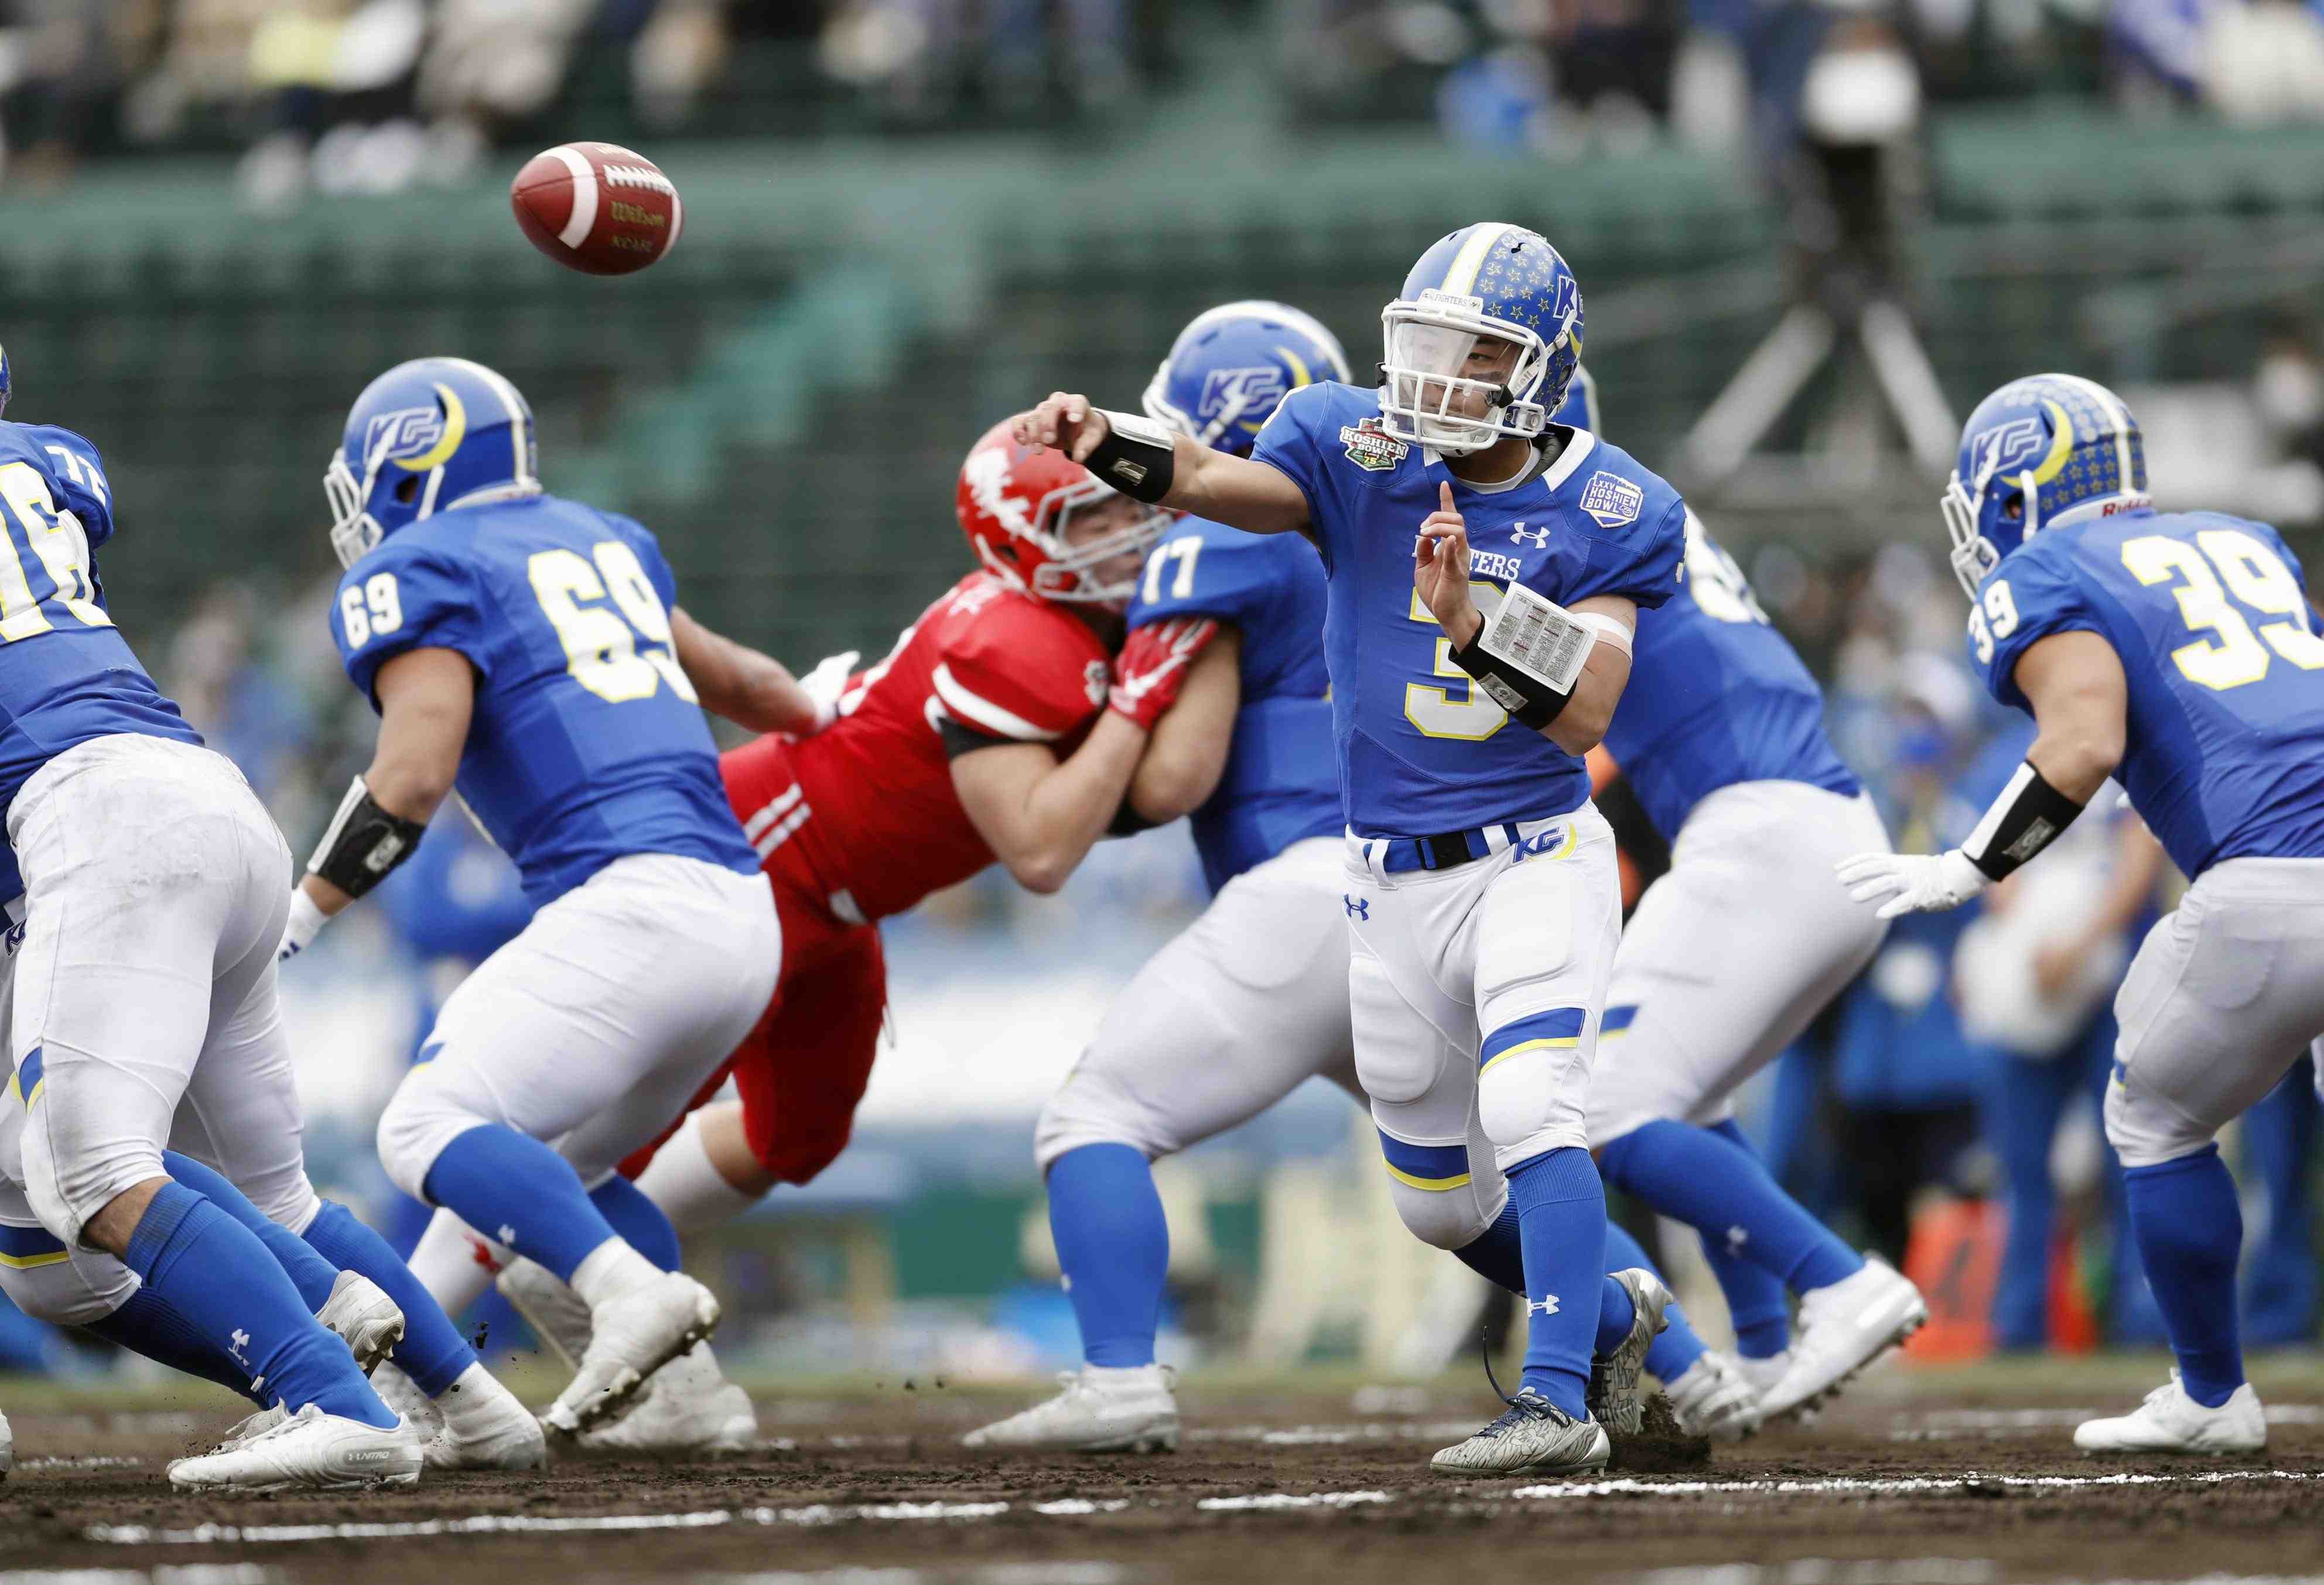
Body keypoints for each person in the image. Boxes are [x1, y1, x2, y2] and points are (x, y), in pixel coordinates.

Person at [1009, 224, 1683, 1477]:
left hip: (1532, 852)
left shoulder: (1612, 500)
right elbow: (1220, 484)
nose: (1436, 376)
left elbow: (1590, 709)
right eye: (1423, 345)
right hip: (1383, 880)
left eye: (1474, 353)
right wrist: (1110, 442)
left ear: (1539, 366)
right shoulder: (1353, 444)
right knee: (1439, 1205)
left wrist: (1470, 622)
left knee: (1534, 1103)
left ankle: (1554, 1399)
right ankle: (1617, 1319)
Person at [492, 421, 1193, 1449]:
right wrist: (1141, 702)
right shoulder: (1011, 638)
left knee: (798, 1139)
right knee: (598, 1135)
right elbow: (1041, 855)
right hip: (758, 864)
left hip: (842, 906)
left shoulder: (1085, 621)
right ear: (1018, 534)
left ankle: (581, 1258)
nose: (1127, 528)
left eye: (1129, 505)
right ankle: (526, 1300)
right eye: (1093, 513)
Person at [285, 356, 802, 1440]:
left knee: (425, 1127)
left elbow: (412, 776)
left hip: (628, 899)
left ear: (410, 458)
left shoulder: (424, 565)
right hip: (739, 914)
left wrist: (304, 910)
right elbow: (753, 690)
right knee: (540, 1173)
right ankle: (676, 1397)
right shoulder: (606, 535)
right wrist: (827, 710)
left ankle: (628, 1293)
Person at [1840, 372, 2324, 1454]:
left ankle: (2210, 1393)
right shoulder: (2245, 539)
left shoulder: (2051, 571)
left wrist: (1969, 863)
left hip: (2275, 879)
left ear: (2012, 497)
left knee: (2154, 1118)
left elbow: (2085, 740)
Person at [0, 346, 429, 1490]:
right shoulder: (45, 465)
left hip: (86, 816)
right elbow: (71, 494)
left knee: (89, 1167)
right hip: (192, 785)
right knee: (224, 1192)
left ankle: (333, 1388)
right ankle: (464, 1400)